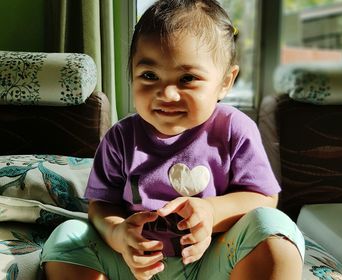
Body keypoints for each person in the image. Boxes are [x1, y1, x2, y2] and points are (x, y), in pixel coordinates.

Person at [41, 0, 305, 279]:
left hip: (213, 262)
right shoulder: (121, 137)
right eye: (150, 75)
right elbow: (101, 205)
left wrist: (212, 211)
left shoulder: (234, 129)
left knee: (274, 228)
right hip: (134, 266)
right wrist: (118, 232)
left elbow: (264, 198)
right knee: (67, 236)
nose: (166, 94)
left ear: (225, 82)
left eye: (187, 78)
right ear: (131, 74)